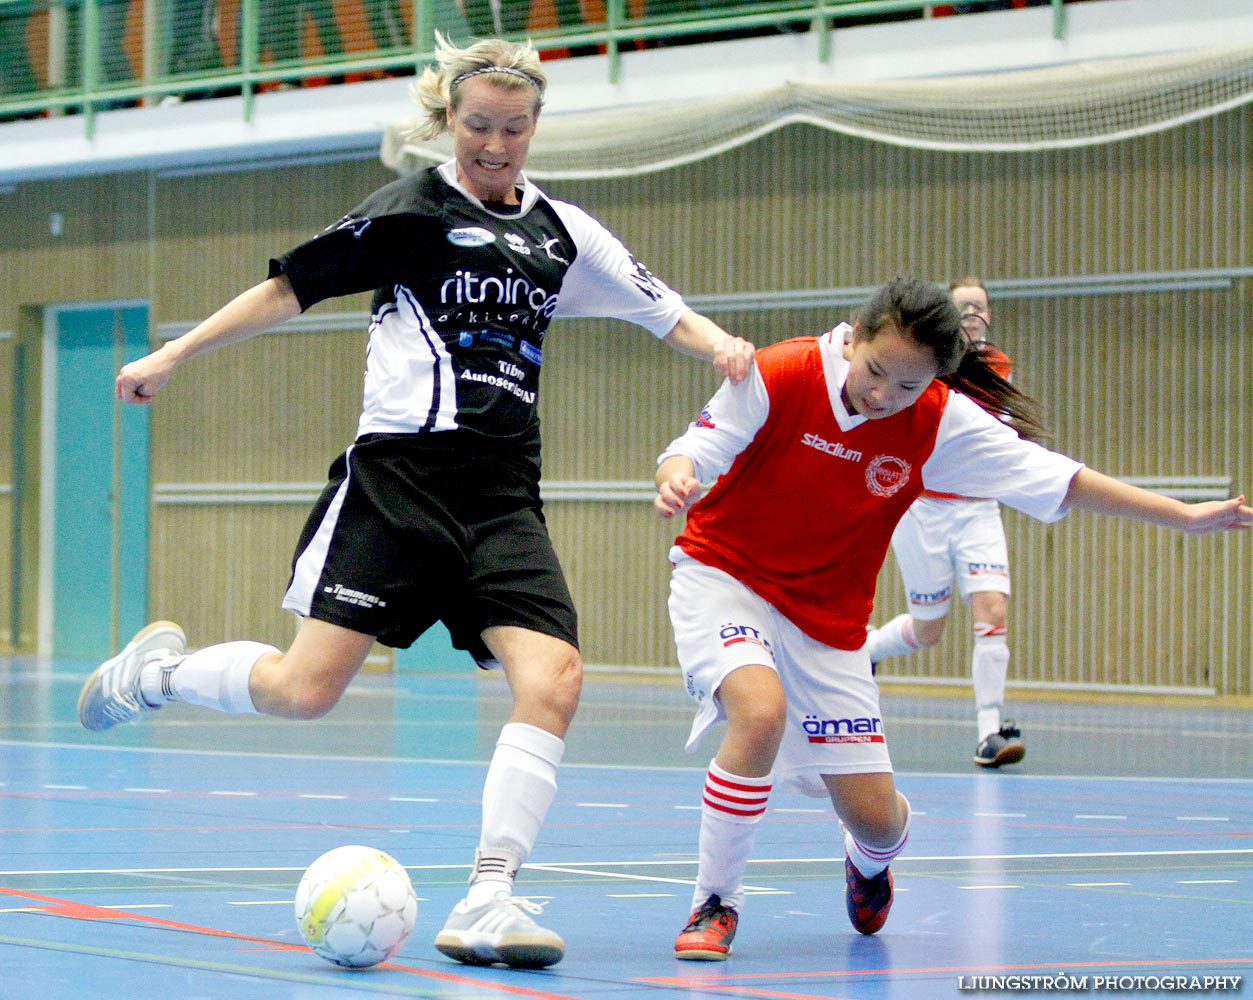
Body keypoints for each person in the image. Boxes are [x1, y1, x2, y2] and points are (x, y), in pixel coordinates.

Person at [76, 32, 754, 970]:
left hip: (503, 495)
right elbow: (288, 288)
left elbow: (657, 304)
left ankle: (489, 896)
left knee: (554, 677)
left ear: (533, 128)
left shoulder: (561, 230)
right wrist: (173, 353)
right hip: (398, 484)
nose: (496, 143)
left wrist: (722, 347)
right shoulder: (409, 209)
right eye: (479, 125)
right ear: (449, 121)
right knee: (302, 690)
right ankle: (157, 675)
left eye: (514, 128)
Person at [652, 276, 1251, 961]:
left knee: (877, 822)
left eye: (904, 387)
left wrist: (1180, 515)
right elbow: (697, 443)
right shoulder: (783, 370)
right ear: (856, 335)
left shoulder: (939, 422)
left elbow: (1056, 477)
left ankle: (868, 862)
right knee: (757, 713)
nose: (881, 395)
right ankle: (714, 902)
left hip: (828, 620)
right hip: (723, 577)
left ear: (935, 381)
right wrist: (678, 473)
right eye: (874, 371)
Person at [864, 276, 1025, 768]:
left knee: (991, 611)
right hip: (926, 509)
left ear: (989, 316)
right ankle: (866, 648)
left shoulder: (998, 367)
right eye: (963, 307)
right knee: (928, 630)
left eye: (980, 307)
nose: (972, 314)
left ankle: (988, 731)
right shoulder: (928, 365)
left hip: (978, 508)